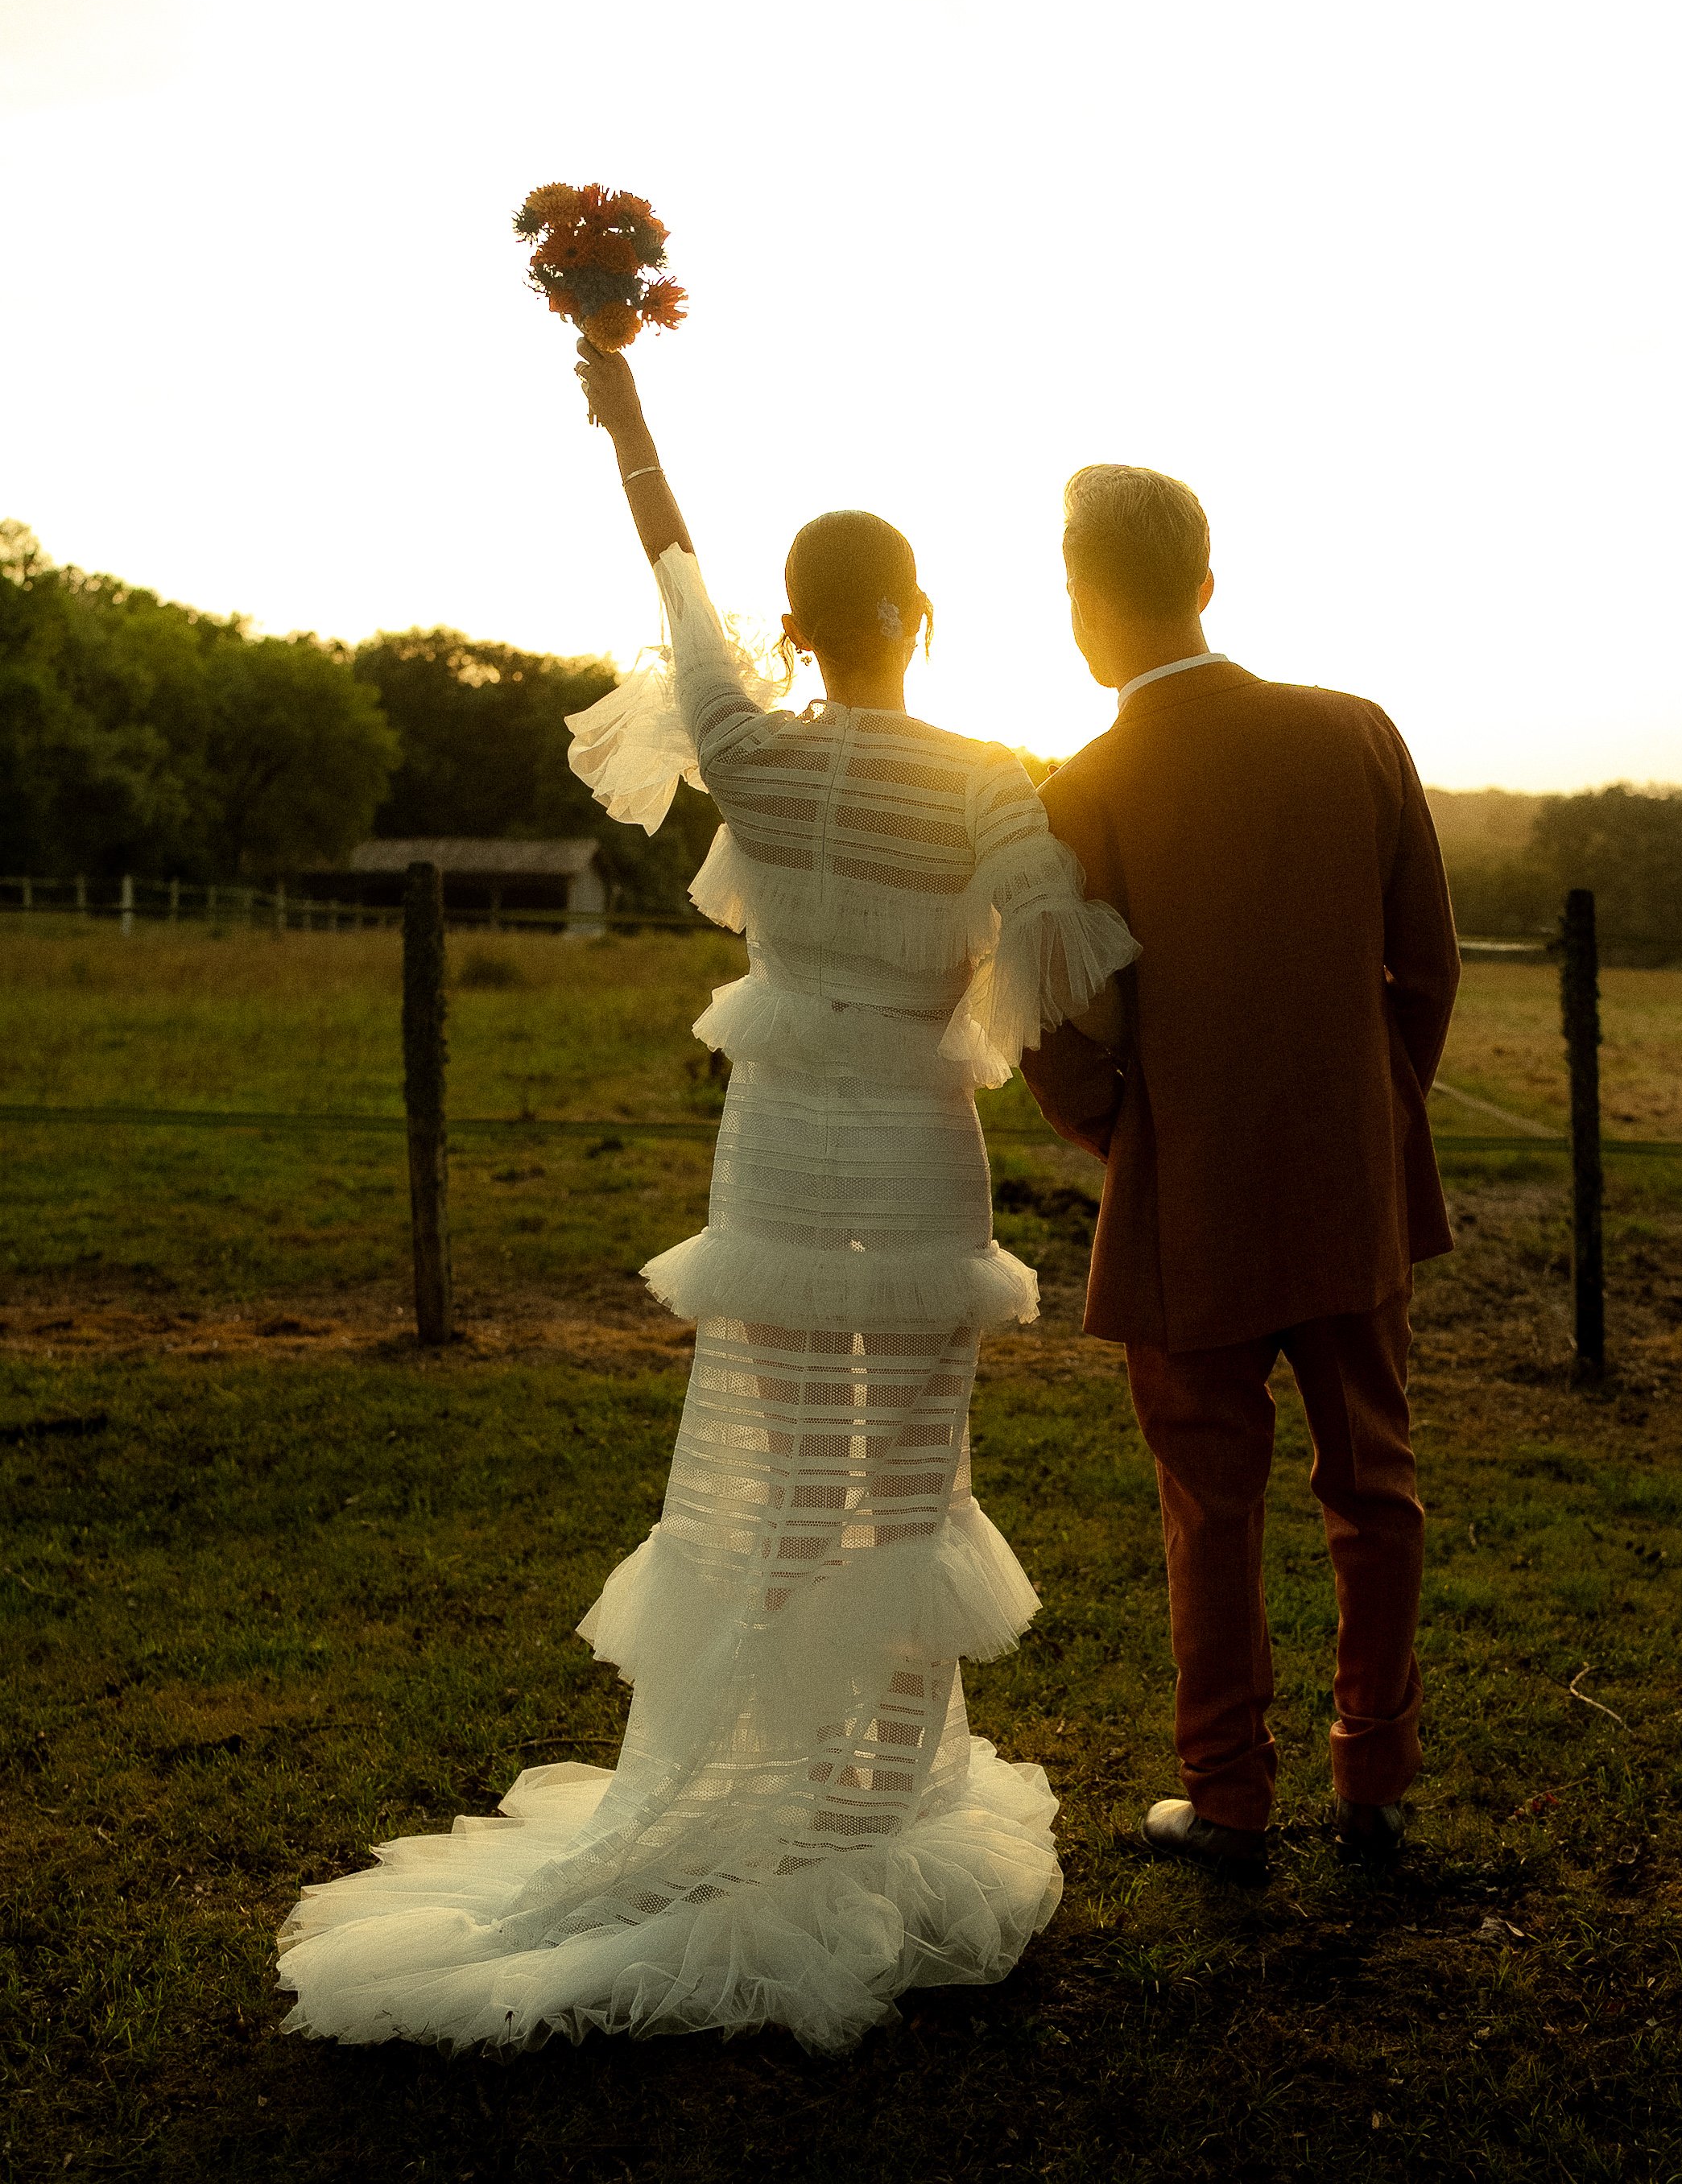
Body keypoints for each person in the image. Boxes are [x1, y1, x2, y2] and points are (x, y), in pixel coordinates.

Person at [276, 353, 1138, 2055]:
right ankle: (864, 1809)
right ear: (923, 614)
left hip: (773, 1154)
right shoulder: (982, 778)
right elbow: (1067, 989)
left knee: (774, 1467)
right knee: (906, 1480)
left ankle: (753, 1786)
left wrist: (622, 410)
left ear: (802, 630)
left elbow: (673, 581)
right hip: (910, 1154)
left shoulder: (747, 743)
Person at [1022, 464, 1459, 1873]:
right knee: (1372, 1482)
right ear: (1205, 585)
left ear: (1083, 607)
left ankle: (1226, 1798)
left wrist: (1125, 1135)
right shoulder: (1356, 734)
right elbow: (1425, 969)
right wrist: (1364, 1115)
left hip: (1187, 1194)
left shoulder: (1080, 787)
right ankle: (1373, 1780)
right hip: (1349, 1181)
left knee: (1210, 1506)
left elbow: (1048, 1015)